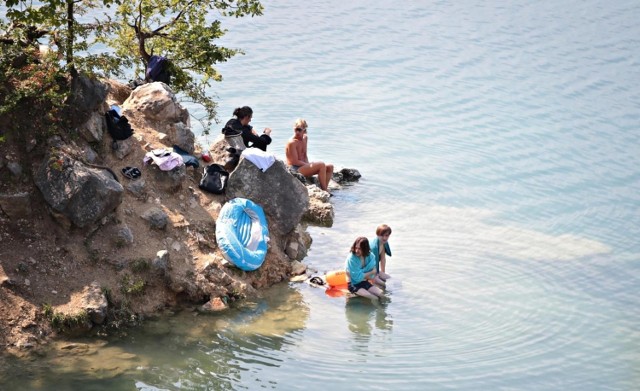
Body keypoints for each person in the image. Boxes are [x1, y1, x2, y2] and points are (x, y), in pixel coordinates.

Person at [285, 118, 334, 191]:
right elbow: (294, 161)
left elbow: (304, 154)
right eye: (296, 129)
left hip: (303, 166)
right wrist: (309, 165)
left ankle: (324, 187)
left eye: (299, 130)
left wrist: (310, 165)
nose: (297, 132)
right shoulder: (292, 142)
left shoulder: (305, 138)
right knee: (321, 164)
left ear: (304, 130)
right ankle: (324, 190)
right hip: (295, 169)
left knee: (330, 167)